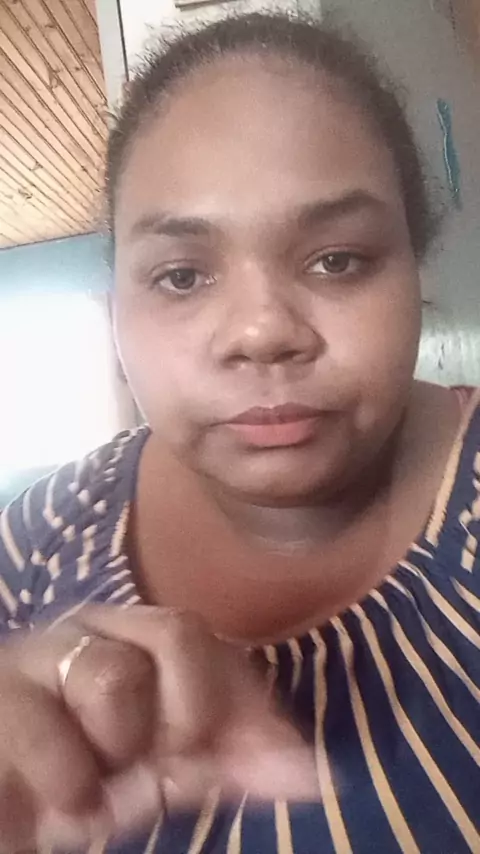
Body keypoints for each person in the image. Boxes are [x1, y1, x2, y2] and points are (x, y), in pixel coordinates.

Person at [0, 10, 478, 853]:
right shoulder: (37, 537)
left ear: (414, 268)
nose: (261, 333)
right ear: (118, 308)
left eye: (337, 260)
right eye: (182, 276)